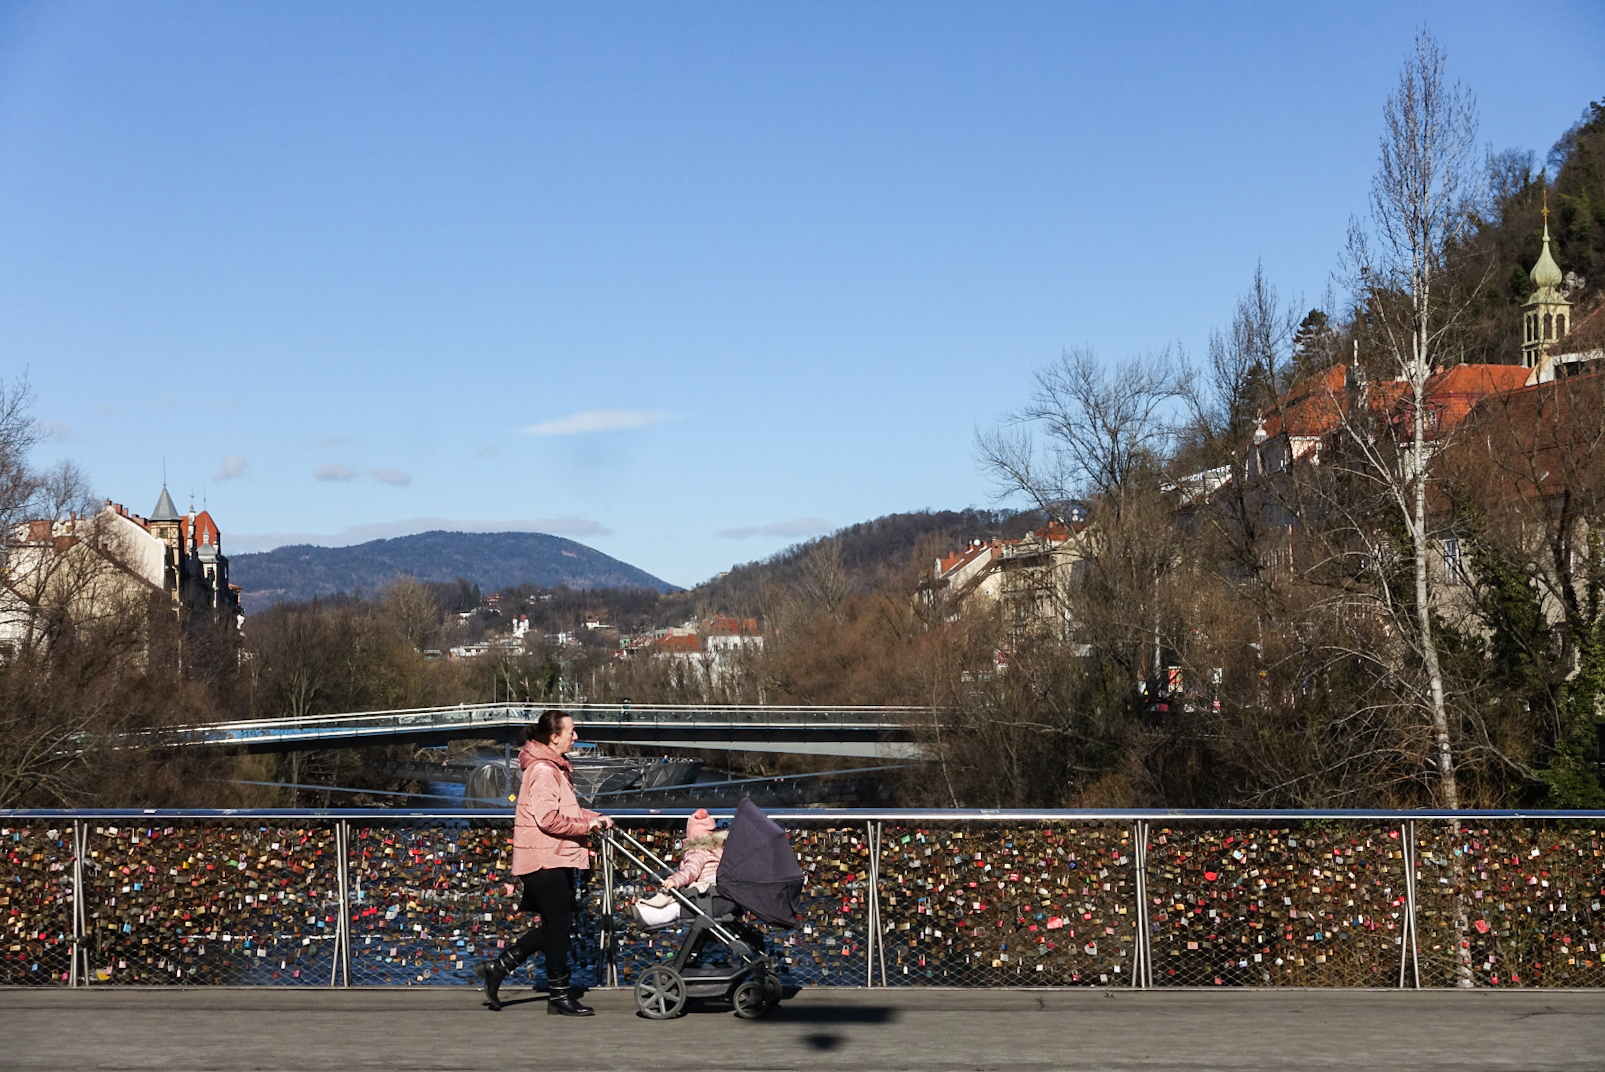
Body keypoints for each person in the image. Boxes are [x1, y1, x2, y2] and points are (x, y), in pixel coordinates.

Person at [475, 710, 613, 1015]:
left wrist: (593, 819)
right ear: (554, 737)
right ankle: (558, 995)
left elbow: (565, 812)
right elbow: (548, 819)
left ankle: (499, 968)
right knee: (559, 926)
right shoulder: (544, 770)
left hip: (551, 855)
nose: (575, 736)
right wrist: (586, 826)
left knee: (555, 925)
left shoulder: (553, 767)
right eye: (571, 732)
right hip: (542, 857)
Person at [631, 808, 726, 928]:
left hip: (705, 893)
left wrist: (675, 880)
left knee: (676, 905)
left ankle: (647, 916)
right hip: (720, 892)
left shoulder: (698, 849)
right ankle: (646, 911)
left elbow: (691, 870)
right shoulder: (720, 849)